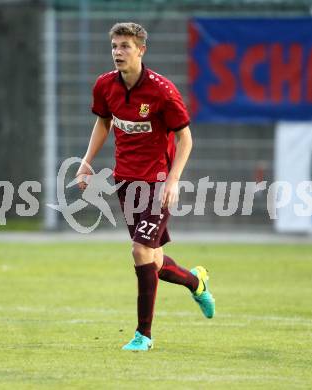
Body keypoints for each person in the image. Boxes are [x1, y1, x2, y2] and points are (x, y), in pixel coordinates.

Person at [76, 22, 215, 351]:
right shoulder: (105, 86)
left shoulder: (162, 91)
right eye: (114, 46)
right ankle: (196, 283)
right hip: (126, 181)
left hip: (156, 183)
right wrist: (86, 161)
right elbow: (103, 121)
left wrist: (174, 179)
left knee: (139, 251)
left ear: (141, 50)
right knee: (152, 259)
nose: (117, 52)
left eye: (125, 46)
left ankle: (144, 335)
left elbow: (185, 137)